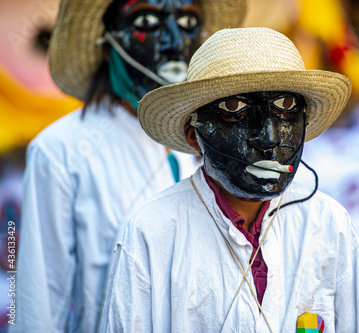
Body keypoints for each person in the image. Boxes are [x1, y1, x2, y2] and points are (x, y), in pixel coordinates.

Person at [100, 27, 359, 332]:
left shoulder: (328, 224)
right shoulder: (152, 231)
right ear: (195, 136)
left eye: (285, 109)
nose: (268, 139)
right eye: (234, 111)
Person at [13, 0, 246, 332]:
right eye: (148, 20)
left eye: (187, 22)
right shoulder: (61, 152)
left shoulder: (210, 142)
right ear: (107, 43)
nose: (174, 41)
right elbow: (40, 306)